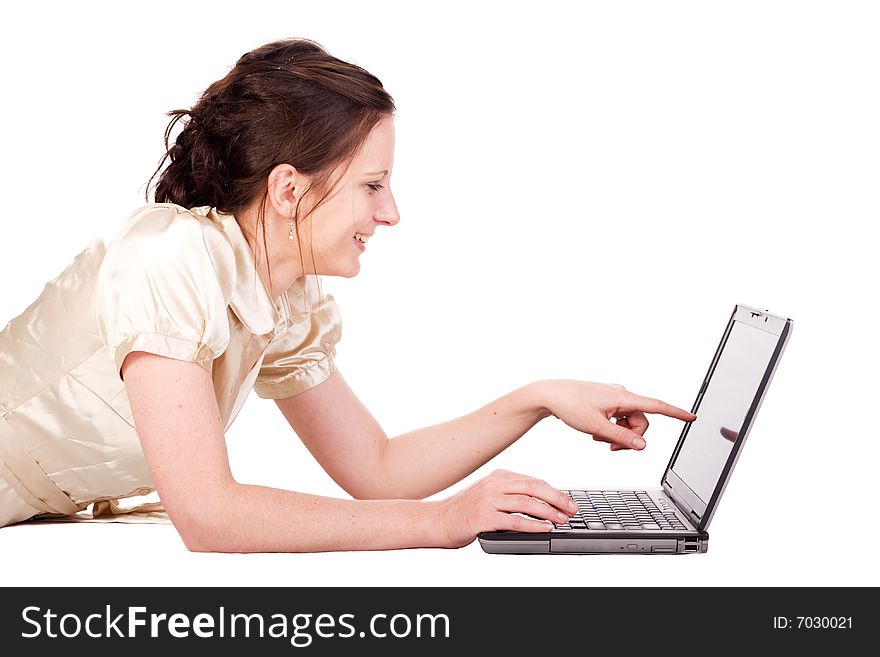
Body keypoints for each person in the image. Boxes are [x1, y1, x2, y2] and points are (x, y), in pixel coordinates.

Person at [0, 38, 696, 551]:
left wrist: (537, 398)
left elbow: (377, 467)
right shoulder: (170, 258)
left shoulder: (281, 292)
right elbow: (208, 514)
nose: (391, 212)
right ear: (286, 189)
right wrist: (442, 521)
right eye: (372, 184)